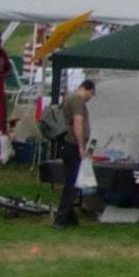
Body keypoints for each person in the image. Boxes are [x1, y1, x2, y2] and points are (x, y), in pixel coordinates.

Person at [42, 77, 95, 228]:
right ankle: (61, 219)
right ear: (88, 89)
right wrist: (81, 146)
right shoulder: (77, 100)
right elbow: (78, 123)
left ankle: (71, 218)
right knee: (73, 183)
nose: (90, 98)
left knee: (71, 180)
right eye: (91, 95)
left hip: (66, 144)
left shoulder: (69, 98)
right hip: (72, 144)